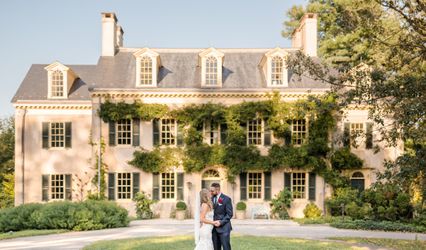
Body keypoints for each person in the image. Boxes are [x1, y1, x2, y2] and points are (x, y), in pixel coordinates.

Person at [210, 182, 233, 250]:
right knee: (216, 248)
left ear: (217, 190)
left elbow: (229, 214)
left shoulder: (226, 199)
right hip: (213, 229)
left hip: (224, 228)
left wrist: (221, 222)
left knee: (226, 248)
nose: (210, 192)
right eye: (210, 190)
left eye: (212, 191)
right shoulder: (210, 199)